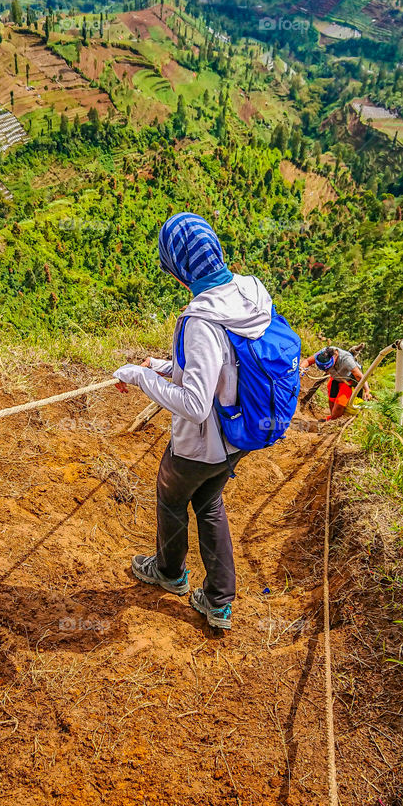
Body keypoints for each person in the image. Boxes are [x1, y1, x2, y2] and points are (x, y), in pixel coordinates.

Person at [113, 212, 273, 631]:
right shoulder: (250, 293)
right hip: (239, 435)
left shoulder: (199, 321)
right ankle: (219, 601)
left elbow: (196, 404)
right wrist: (166, 366)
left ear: (178, 267)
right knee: (209, 503)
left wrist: (140, 376)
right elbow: (226, 366)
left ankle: (169, 573)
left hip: (201, 444)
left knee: (171, 499)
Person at [303, 345, 371, 420]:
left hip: (348, 381)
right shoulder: (322, 353)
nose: (326, 371)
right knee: (332, 400)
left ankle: (335, 420)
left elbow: (360, 377)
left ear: (334, 357)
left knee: (339, 405)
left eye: (328, 368)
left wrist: (367, 390)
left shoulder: (346, 359)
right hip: (335, 378)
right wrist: (302, 368)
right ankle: (333, 418)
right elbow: (308, 361)